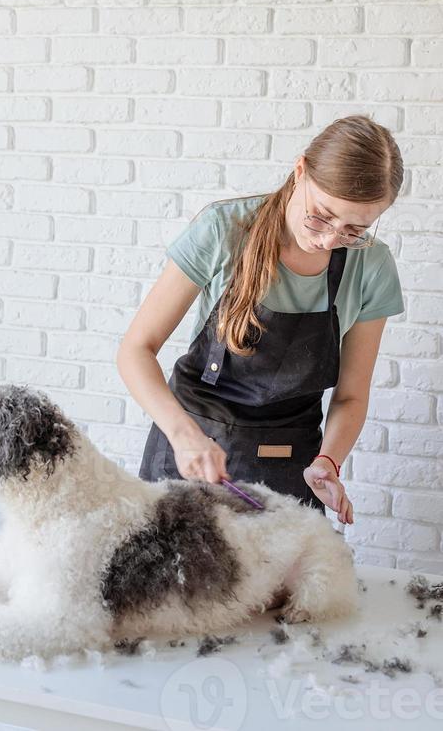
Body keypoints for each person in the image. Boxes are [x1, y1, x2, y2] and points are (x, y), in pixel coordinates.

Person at [116, 114, 405, 524]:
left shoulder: (371, 266)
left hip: (290, 467)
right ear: (300, 169)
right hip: (189, 455)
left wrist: (329, 461)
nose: (327, 239)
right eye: (321, 215)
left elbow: (351, 396)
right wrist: (182, 435)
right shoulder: (224, 230)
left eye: (352, 229)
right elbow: (135, 350)